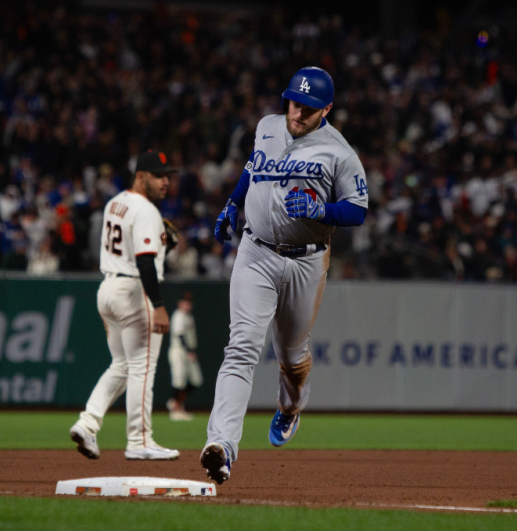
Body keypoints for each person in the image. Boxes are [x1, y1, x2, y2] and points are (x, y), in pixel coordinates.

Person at [200, 67, 369, 484]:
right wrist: (231, 204)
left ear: (326, 109)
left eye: (308, 107)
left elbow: (358, 208)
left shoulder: (339, 152)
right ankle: (221, 446)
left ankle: (291, 407)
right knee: (241, 346)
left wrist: (322, 212)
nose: (297, 111)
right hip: (255, 251)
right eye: (294, 102)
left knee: (292, 359)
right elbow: (251, 168)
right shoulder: (268, 127)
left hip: (307, 262)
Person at [70, 150, 180, 461]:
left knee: (121, 365)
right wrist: (157, 305)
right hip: (134, 291)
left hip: (108, 289)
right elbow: (145, 261)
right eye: (159, 176)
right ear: (141, 175)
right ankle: (139, 440)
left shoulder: (115, 202)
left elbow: (138, 250)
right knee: (143, 368)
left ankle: (87, 423)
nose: (165, 182)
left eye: (168, 176)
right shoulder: (146, 211)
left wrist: (162, 244)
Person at [166, 291, 203, 421]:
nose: (187, 305)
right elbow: (180, 335)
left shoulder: (188, 316)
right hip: (179, 350)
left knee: (196, 380)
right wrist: (189, 351)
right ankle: (176, 409)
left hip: (188, 351)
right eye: (185, 302)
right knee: (179, 381)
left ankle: (174, 402)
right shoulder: (179, 315)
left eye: (189, 303)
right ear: (179, 303)